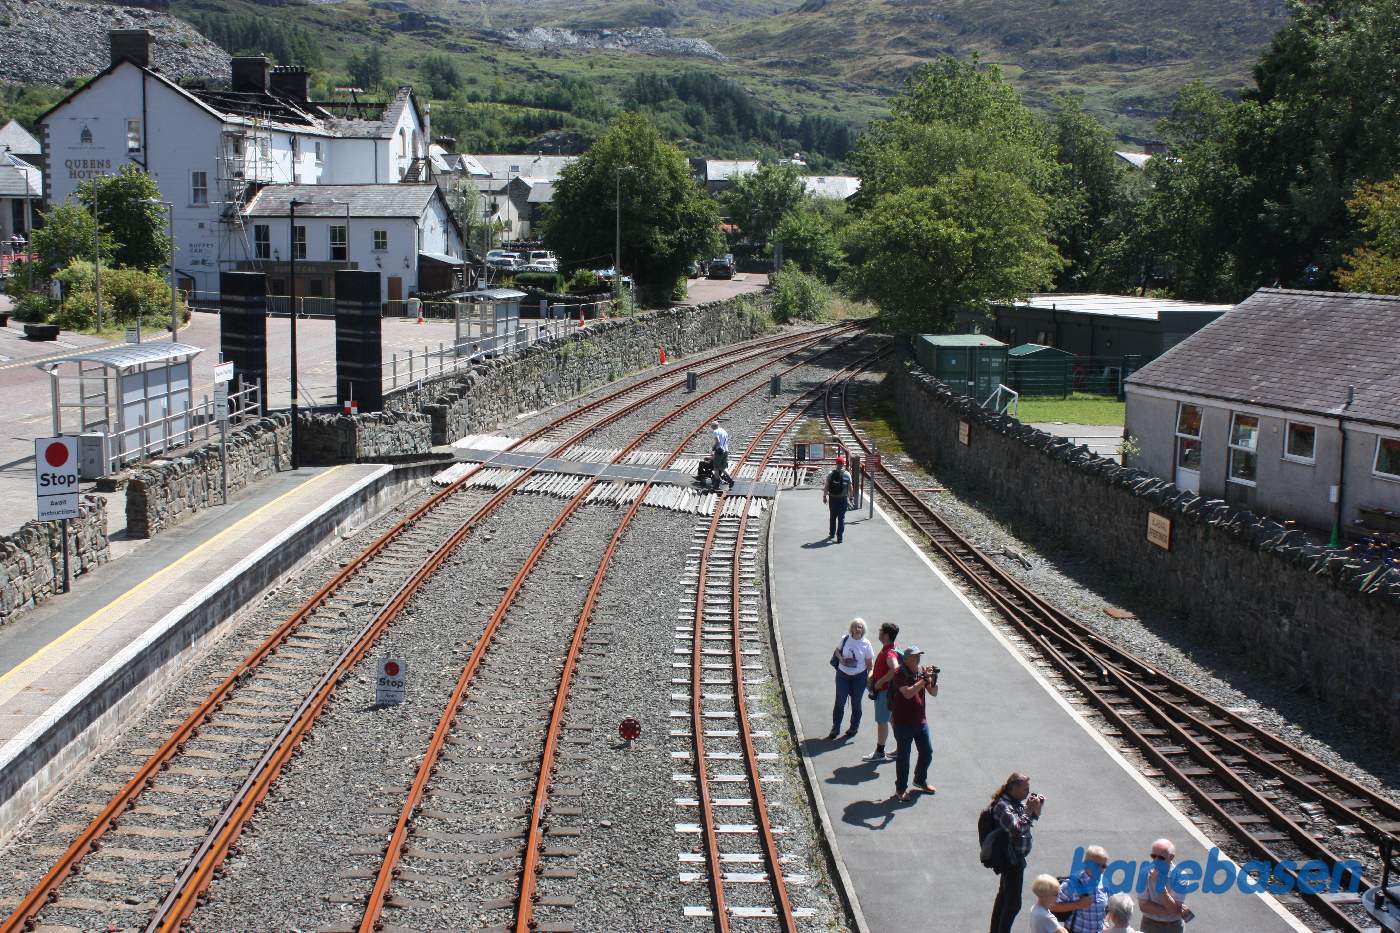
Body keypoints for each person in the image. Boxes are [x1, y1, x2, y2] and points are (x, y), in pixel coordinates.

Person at [989, 772, 1043, 933]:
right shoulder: (1002, 806)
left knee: (1004, 898)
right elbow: (1016, 829)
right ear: (1014, 788)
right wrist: (1028, 809)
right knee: (1013, 904)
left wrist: (1035, 808)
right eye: (1025, 789)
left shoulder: (1015, 802)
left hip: (1016, 857)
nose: (1028, 792)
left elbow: (1026, 822)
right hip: (1010, 859)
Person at [889, 645, 937, 800]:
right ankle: (900, 790)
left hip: (920, 720)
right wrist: (923, 680)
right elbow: (908, 693)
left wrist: (933, 679)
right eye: (915, 656)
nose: (918, 659)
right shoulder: (899, 673)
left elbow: (933, 692)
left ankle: (920, 779)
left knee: (927, 752)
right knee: (904, 757)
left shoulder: (921, 671)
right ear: (906, 659)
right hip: (903, 722)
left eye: (919, 656)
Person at [827, 618, 874, 740]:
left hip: (859, 677)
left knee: (856, 703)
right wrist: (841, 659)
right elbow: (837, 650)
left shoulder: (866, 644)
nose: (858, 629)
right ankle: (835, 728)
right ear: (852, 628)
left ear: (863, 629)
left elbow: (869, 663)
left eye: (860, 627)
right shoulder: (845, 639)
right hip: (843, 675)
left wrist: (870, 677)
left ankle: (854, 727)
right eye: (856, 626)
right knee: (839, 702)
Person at [863, 622, 900, 761]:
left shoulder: (889, 652)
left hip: (884, 693)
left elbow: (895, 669)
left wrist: (880, 681)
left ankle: (879, 752)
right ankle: (901, 748)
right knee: (891, 720)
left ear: (885, 635)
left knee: (882, 722)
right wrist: (874, 674)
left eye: (880, 631)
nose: (878, 632)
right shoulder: (890, 648)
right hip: (888, 692)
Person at [1138, 838, 1192, 932]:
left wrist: (1160, 884)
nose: (1156, 860)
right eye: (1153, 856)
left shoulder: (1181, 876)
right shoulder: (1145, 873)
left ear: (1171, 857)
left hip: (1173, 926)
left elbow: (1173, 908)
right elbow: (1143, 905)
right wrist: (1170, 911)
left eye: (1161, 857)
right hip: (1150, 924)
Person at [1054, 845, 1109, 933]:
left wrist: (1105, 921)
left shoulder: (1104, 882)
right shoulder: (1072, 884)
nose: (1101, 869)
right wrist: (1078, 904)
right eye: (1097, 865)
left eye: (1104, 866)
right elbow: (1052, 906)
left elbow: (1106, 907)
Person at [823, 454, 852, 543]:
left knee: (832, 517)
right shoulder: (847, 474)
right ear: (843, 464)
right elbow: (850, 487)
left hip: (832, 499)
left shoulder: (831, 474)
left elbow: (827, 486)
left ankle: (832, 533)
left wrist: (824, 496)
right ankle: (839, 537)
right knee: (841, 518)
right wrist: (851, 497)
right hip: (842, 499)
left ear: (836, 463)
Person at [710, 421, 734, 492]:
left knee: (716, 468)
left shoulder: (715, 432)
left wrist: (713, 447)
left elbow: (718, 441)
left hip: (719, 451)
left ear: (713, 426)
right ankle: (730, 480)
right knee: (722, 467)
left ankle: (716, 484)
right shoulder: (724, 431)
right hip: (726, 451)